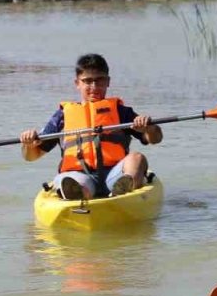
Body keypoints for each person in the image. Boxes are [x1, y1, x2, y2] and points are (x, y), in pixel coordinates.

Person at [19, 54, 162, 200]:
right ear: (77, 83)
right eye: (87, 81)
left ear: (108, 82)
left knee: (137, 158)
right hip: (80, 176)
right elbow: (31, 156)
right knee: (69, 182)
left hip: (114, 174)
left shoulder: (121, 111)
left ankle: (123, 190)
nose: (94, 87)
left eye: (99, 80)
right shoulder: (62, 116)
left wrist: (149, 129)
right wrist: (28, 145)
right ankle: (78, 195)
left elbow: (155, 139)